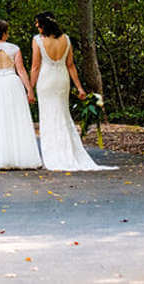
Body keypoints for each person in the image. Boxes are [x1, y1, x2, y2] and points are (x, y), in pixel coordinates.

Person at [31, 11, 117, 171]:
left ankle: (54, 155)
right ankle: (67, 152)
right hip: (63, 79)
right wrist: (79, 87)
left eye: (38, 23)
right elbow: (70, 65)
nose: (36, 26)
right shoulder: (66, 39)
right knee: (62, 114)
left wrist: (29, 88)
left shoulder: (38, 40)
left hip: (46, 79)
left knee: (48, 115)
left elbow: (35, 66)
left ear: (44, 24)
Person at [0, 19, 42, 171]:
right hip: (13, 84)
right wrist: (29, 89)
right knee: (16, 119)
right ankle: (20, 157)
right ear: (5, 33)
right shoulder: (14, 48)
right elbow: (21, 70)